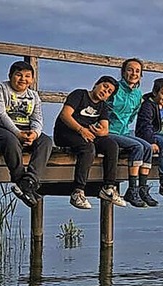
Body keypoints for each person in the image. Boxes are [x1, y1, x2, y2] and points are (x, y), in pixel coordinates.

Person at [0, 60, 52, 207]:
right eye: (18, 75)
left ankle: (30, 181)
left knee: (46, 141)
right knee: (10, 139)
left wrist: (35, 134)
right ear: (10, 75)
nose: (23, 79)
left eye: (27, 76)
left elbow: (37, 119)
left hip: (23, 131)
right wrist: (18, 133)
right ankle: (20, 180)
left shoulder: (34, 96)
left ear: (32, 80)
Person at [53, 76, 126, 209]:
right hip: (66, 132)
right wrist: (81, 130)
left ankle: (108, 188)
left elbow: (105, 129)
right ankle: (78, 191)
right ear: (96, 84)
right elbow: (65, 115)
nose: (105, 91)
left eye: (109, 91)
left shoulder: (103, 106)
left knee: (112, 145)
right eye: (104, 86)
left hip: (87, 134)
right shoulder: (80, 94)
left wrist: (98, 132)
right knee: (88, 148)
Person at [108, 58, 158, 208]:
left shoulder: (138, 94)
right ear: (123, 72)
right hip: (109, 130)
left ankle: (143, 188)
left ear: (141, 75)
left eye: (137, 71)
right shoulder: (115, 89)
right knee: (138, 147)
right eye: (130, 70)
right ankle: (132, 189)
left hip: (124, 131)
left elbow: (132, 116)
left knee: (148, 147)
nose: (133, 73)